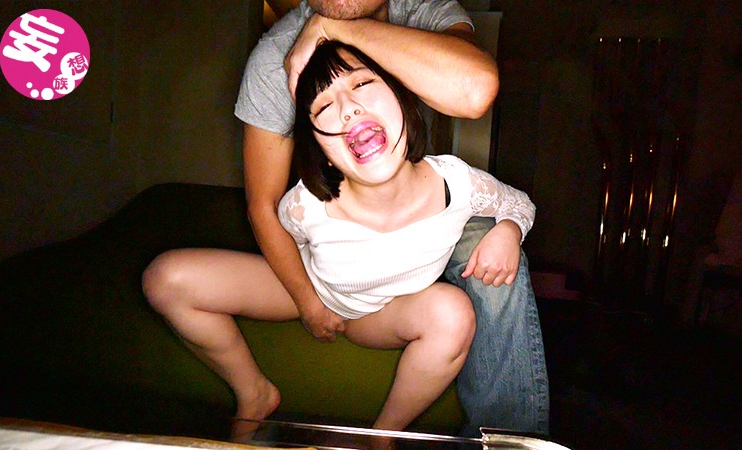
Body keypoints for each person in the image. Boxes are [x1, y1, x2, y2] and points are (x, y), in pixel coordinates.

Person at [143, 0, 548, 439]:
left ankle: (383, 436)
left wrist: (508, 230)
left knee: (453, 314)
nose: (349, 109)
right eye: (323, 109)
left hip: (380, 314)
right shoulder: (303, 206)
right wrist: (309, 303)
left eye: (363, 85)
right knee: (166, 279)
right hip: (320, 285)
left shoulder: (458, 184)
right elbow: (271, 217)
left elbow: (517, 201)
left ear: (403, 95)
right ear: (321, 149)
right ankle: (254, 392)